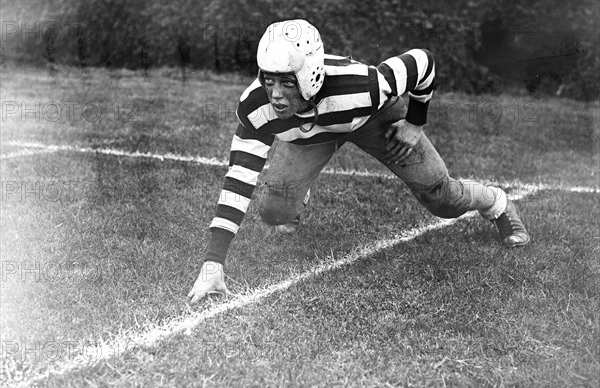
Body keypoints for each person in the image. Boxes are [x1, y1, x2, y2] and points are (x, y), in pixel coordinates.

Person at [187, 19, 530, 303]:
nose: (275, 94)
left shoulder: (364, 85)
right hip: (313, 133)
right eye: (269, 80)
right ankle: (298, 190)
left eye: (287, 83)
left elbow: (423, 61)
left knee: (443, 198)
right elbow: (239, 179)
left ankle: (497, 203)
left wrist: (415, 120)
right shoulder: (256, 107)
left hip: (371, 119)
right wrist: (213, 263)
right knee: (275, 211)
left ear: (309, 75)